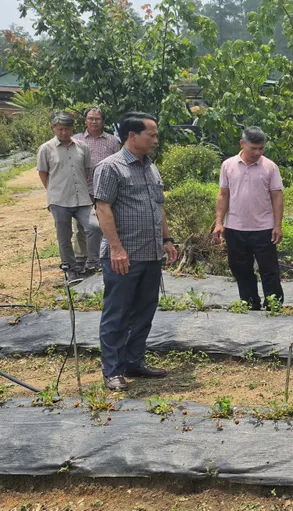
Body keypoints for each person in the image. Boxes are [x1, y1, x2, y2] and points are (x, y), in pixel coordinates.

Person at [93, 112, 178, 392]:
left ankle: (134, 361)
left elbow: (158, 205)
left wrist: (167, 239)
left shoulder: (150, 167)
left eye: (156, 135)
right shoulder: (111, 167)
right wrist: (116, 248)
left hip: (151, 254)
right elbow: (102, 208)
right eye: (150, 135)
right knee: (117, 314)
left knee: (144, 311)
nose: (156, 140)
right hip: (124, 256)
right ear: (132, 136)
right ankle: (113, 370)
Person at [212, 126, 285, 311]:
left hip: (264, 228)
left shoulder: (270, 167)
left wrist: (277, 225)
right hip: (235, 227)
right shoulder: (228, 165)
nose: (257, 152)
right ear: (242, 144)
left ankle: (274, 304)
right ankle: (250, 301)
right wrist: (219, 223)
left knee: (269, 269)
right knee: (240, 268)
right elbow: (223, 194)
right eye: (253, 148)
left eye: (261, 148)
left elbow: (277, 196)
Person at [36, 111, 101, 280]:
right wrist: (53, 191)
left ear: (72, 129)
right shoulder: (46, 149)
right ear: (53, 129)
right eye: (60, 129)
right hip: (59, 200)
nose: (63, 133)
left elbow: (86, 171)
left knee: (94, 227)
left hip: (82, 198)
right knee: (64, 237)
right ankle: (71, 268)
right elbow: (43, 173)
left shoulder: (82, 147)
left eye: (67, 129)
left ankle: (93, 263)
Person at [71, 106, 120, 273]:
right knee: (81, 227)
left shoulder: (112, 141)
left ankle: (103, 256)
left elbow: (119, 163)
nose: (93, 121)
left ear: (103, 122)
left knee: (107, 223)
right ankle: (81, 258)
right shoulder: (76, 140)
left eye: (97, 119)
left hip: (107, 190)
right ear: (85, 120)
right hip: (83, 189)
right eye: (90, 118)